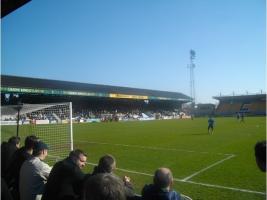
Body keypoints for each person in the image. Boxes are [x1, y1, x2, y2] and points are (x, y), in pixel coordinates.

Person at [5, 135, 38, 200]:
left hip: (12, 183)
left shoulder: (19, 151)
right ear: (33, 146)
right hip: (19, 187)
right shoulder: (29, 159)